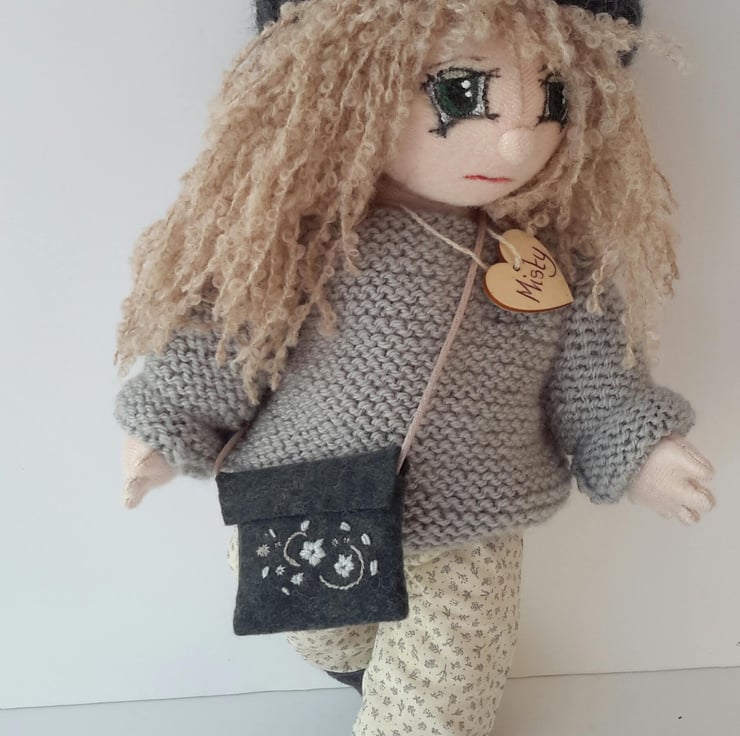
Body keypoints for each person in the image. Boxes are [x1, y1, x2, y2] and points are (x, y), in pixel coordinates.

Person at [114, 1, 715, 733]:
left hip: (473, 525)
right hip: (305, 503)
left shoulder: (552, 266)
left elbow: (596, 385)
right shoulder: (311, 242)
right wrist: (166, 422)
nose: (517, 138)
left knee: (440, 700)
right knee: (321, 633)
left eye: (552, 98)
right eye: (462, 92)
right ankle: (369, 673)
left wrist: (641, 450)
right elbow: (231, 336)